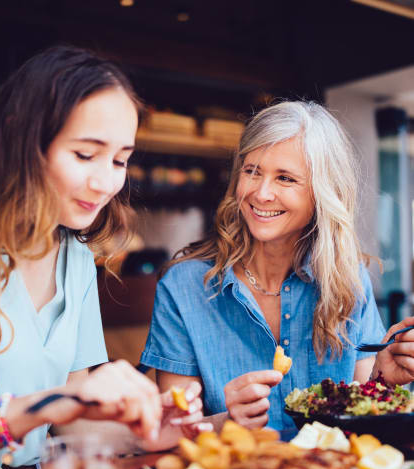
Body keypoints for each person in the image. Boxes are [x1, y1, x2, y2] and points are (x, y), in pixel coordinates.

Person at [0, 46, 209, 469]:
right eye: (86, 154)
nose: (107, 182)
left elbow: (72, 429)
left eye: (119, 160)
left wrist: (144, 431)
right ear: (23, 141)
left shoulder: (73, 259)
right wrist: (48, 405)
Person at [140, 100, 414, 432]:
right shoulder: (183, 287)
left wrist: (383, 381)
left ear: (322, 194)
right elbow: (170, 430)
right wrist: (228, 421)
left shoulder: (348, 280)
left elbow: (361, 416)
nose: (261, 193)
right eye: (252, 171)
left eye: (285, 178)